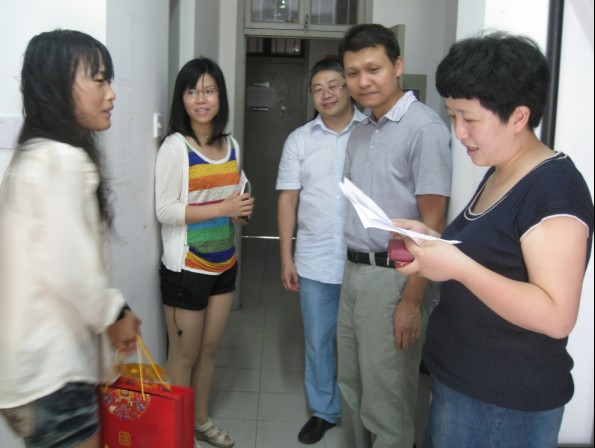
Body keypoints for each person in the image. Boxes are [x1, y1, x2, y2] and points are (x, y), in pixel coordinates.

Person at [394, 32, 594, 448]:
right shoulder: (502, 169)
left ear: (519, 117)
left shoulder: (554, 191)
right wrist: (434, 242)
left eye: (469, 120)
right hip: (462, 383)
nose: (459, 132)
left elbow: (556, 315)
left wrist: (457, 266)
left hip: (502, 403)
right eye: (452, 116)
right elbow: (492, 254)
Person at [0, 29, 142, 448]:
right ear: (58, 87)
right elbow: (71, 272)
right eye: (98, 80)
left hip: (29, 372)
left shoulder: (33, 155)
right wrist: (116, 313)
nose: (111, 94)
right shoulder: (59, 160)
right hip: (54, 375)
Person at [337, 24, 452, 448]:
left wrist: (411, 302)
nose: (363, 81)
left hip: (395, 278)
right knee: (352, 385)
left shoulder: (425, 128)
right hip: (354, 271)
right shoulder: (361, 129)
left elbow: (433, 224)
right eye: (353, 73)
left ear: (398, 66)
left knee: (387, 401)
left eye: (374, 69)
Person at [155, 57, 254, 448]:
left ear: (220, 96)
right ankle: (174, 433)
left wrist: (239, 212)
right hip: (186, 268)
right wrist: (222, 209)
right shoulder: (175, 147)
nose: (201, 99)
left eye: (209, 91)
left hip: (224, 263)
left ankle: (199, 421)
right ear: (182, 98)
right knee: (184, 354)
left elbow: (236, 199)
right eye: (192, 91)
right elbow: (165, 211)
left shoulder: (232, 145)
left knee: (209, 350)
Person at [276, 58, 367, 444]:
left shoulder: (372, 131)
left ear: (348, 87)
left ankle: (369, 415)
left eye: (334, 85)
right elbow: (287, 199)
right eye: (318, 88)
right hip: (314, 259)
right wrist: (286, 256)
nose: (326, 94)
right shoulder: (300, 139)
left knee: (366, 345)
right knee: (317, 342)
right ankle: (325, 410)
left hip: (364, 259)